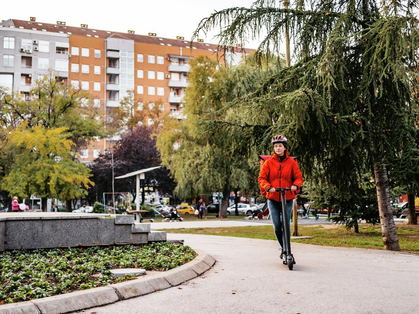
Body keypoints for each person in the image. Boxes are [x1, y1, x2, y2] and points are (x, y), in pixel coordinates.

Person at [258, 135, 304, 263]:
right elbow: (261, 178)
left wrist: (295, 185)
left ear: (284, 147)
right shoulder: (268, 163)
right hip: (272, 198)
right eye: (276, 146)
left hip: (287, 197)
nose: (278, 148)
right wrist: (268, 187)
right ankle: (284, 249)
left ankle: (287, 252)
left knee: (286, 224)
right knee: (277, 226)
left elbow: (299, 178)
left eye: (280, 146)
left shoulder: (291, 163)